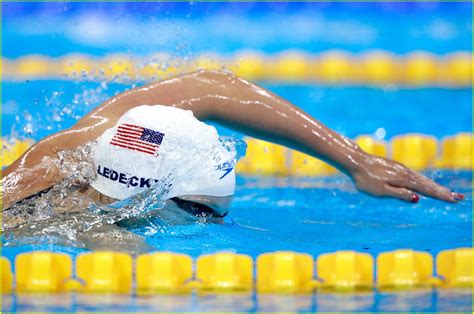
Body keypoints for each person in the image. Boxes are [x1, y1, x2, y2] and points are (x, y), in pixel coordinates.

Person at [2, 70, 463, 220]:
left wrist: (355, 161)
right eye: (200, 213)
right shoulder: (26, 189)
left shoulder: (92, 144)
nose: (208, 226)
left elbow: (210, 87)